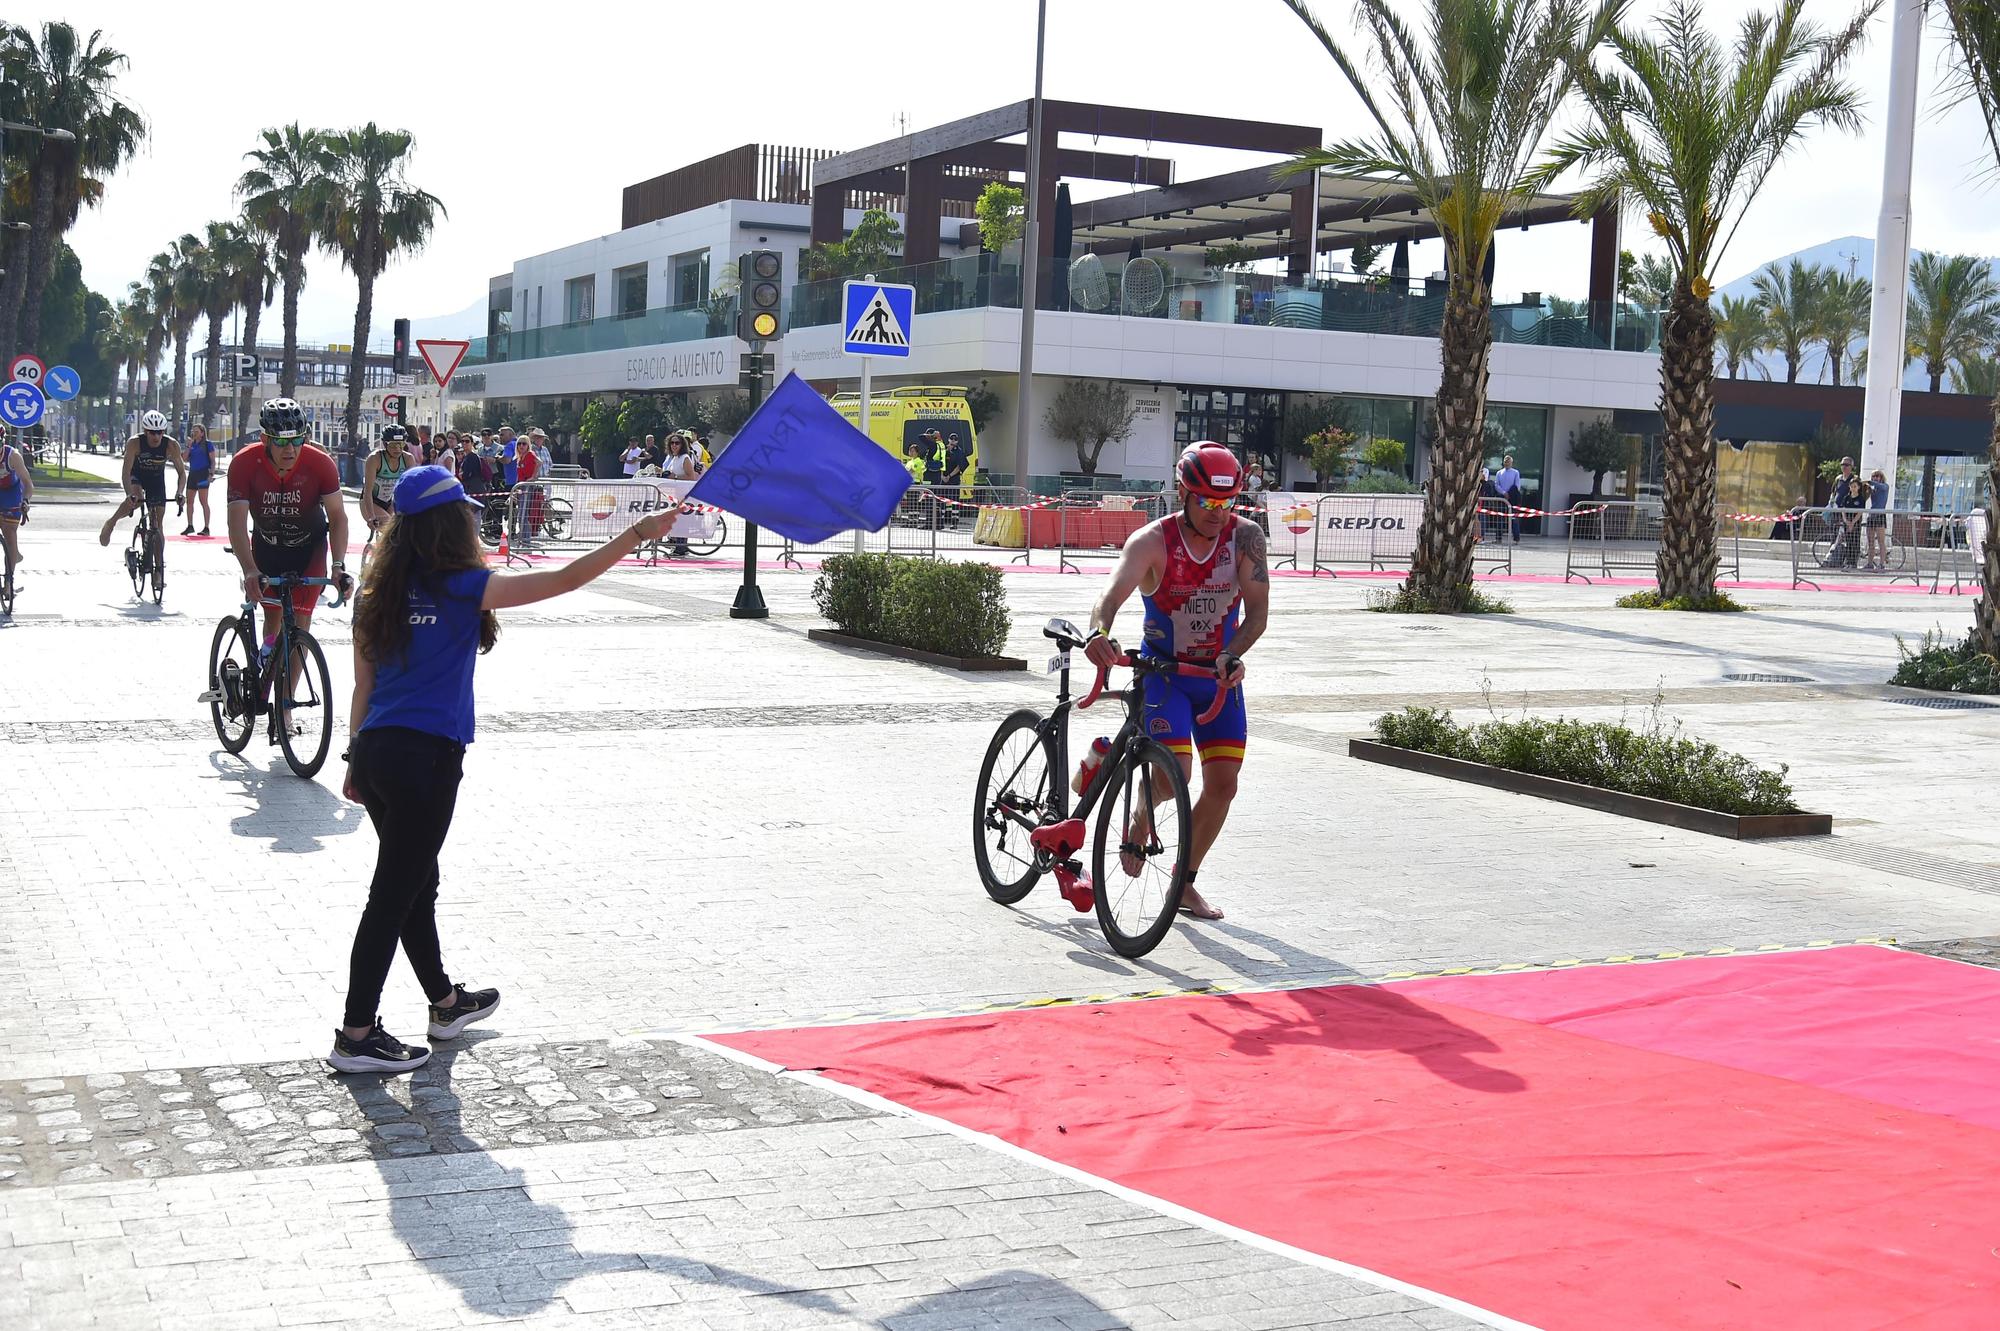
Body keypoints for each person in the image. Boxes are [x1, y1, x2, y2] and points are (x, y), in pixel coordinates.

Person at [330, 465, 678, 1073]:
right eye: (464, 508)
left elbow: (363, 685)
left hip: (381, 752)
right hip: (427, 758)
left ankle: (443, 1004)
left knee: (415, 884)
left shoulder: (375, 591)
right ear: (448, 522)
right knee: (393, 895)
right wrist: (636, 533)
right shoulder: (463, 585)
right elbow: (565, 579)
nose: (473, 515)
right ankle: (356, 1033)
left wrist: (356, 757)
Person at [1083, 443, 1270, 923]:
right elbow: (1110, 596)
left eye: (1226, 504)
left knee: (1224, 785)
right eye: (1207, 502)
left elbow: (1257, 615)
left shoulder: (1246, 539)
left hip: (1216, 676)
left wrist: (1232, 654)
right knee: (1175, 777)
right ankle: (1143, 807)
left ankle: (1183, 882)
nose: (1217, 513)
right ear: (1184, 494)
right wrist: (1098, 633)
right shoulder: (1152, 541)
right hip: (1165, 674)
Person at [227, 399, 352, 723]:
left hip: (309, 551)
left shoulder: (320, 464)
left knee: (301, 626)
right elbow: (236, 523)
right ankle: (260, 671)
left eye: (297, 440)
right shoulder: (244, 464)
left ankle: (284, 706)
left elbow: (338, 517)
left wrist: (338, 567)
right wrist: (250, 569)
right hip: (267, 550)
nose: (290, 448)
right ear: (265, 439)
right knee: (274, 621)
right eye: (281, 441)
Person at [99, 410, 187, 588]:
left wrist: (179, 493)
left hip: (156, 480)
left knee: (158, 524)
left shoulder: (171, 445)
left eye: (160, 432)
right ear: (145, 431)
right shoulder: (134, 443)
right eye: (152, 433)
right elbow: (125, 472)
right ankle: (112, 522)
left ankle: (158, 571)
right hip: (137, 476)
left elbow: (182, 473)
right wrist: (128, 493)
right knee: (136, 499)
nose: (156, 437)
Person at [362, 425, 416, 538]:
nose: (397, 449)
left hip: (390, 501)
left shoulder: (408, 459)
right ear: (385, 444)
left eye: (401, 444)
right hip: (371, 502)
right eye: (393, 445)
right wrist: (371, 517)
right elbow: (367, 492)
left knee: (403, 531)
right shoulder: (374, 459)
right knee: (393, 532)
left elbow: (409, 490)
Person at [0, 436, 32, 585]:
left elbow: (28, 483)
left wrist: (25, 501)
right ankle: (14, 554)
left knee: (9, 532)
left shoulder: (13, 456)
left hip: (12, 493)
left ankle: (8, 581)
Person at [182, 423, 216, 536]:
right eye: (193, 432)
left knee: (203, 501)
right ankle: (190, 525)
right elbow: (184, 459)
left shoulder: (207, 444)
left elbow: (212, 460)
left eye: (197, 432)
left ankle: (206, 527)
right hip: (192, 474)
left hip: (203, 474)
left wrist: (211, 474)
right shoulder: (191, 445)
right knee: (189, 501)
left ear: (202, 433)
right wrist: (188, 446)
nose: (194, 434)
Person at [1865, 468, 1891, 570]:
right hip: (1872, 514)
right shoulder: (1872, 490)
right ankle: (1870, 563)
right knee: (1870, 541)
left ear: (1881, 477)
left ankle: (1881, 564)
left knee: (1881, 541)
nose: (1875, 478)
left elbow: (1882, 487)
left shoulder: (1885, 486)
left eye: (1877, 476)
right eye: (1874, 476)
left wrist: (1870, 482)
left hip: (1880, 515)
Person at [1494, 452, 1523, 543]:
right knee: (1500, 519)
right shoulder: (1499, 473)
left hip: (1512, 500)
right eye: (1505, 461)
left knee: (1514, 519)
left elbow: (1517, 486)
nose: (1507, 463)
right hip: (1502, 498)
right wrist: (1503, 493)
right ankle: (1498, 538)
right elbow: (1496, 485)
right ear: (1503, 462)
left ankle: (1516, 539)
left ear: (1511, 463)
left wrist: (1510, 494)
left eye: (1508, 461)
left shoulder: (1515, 473)